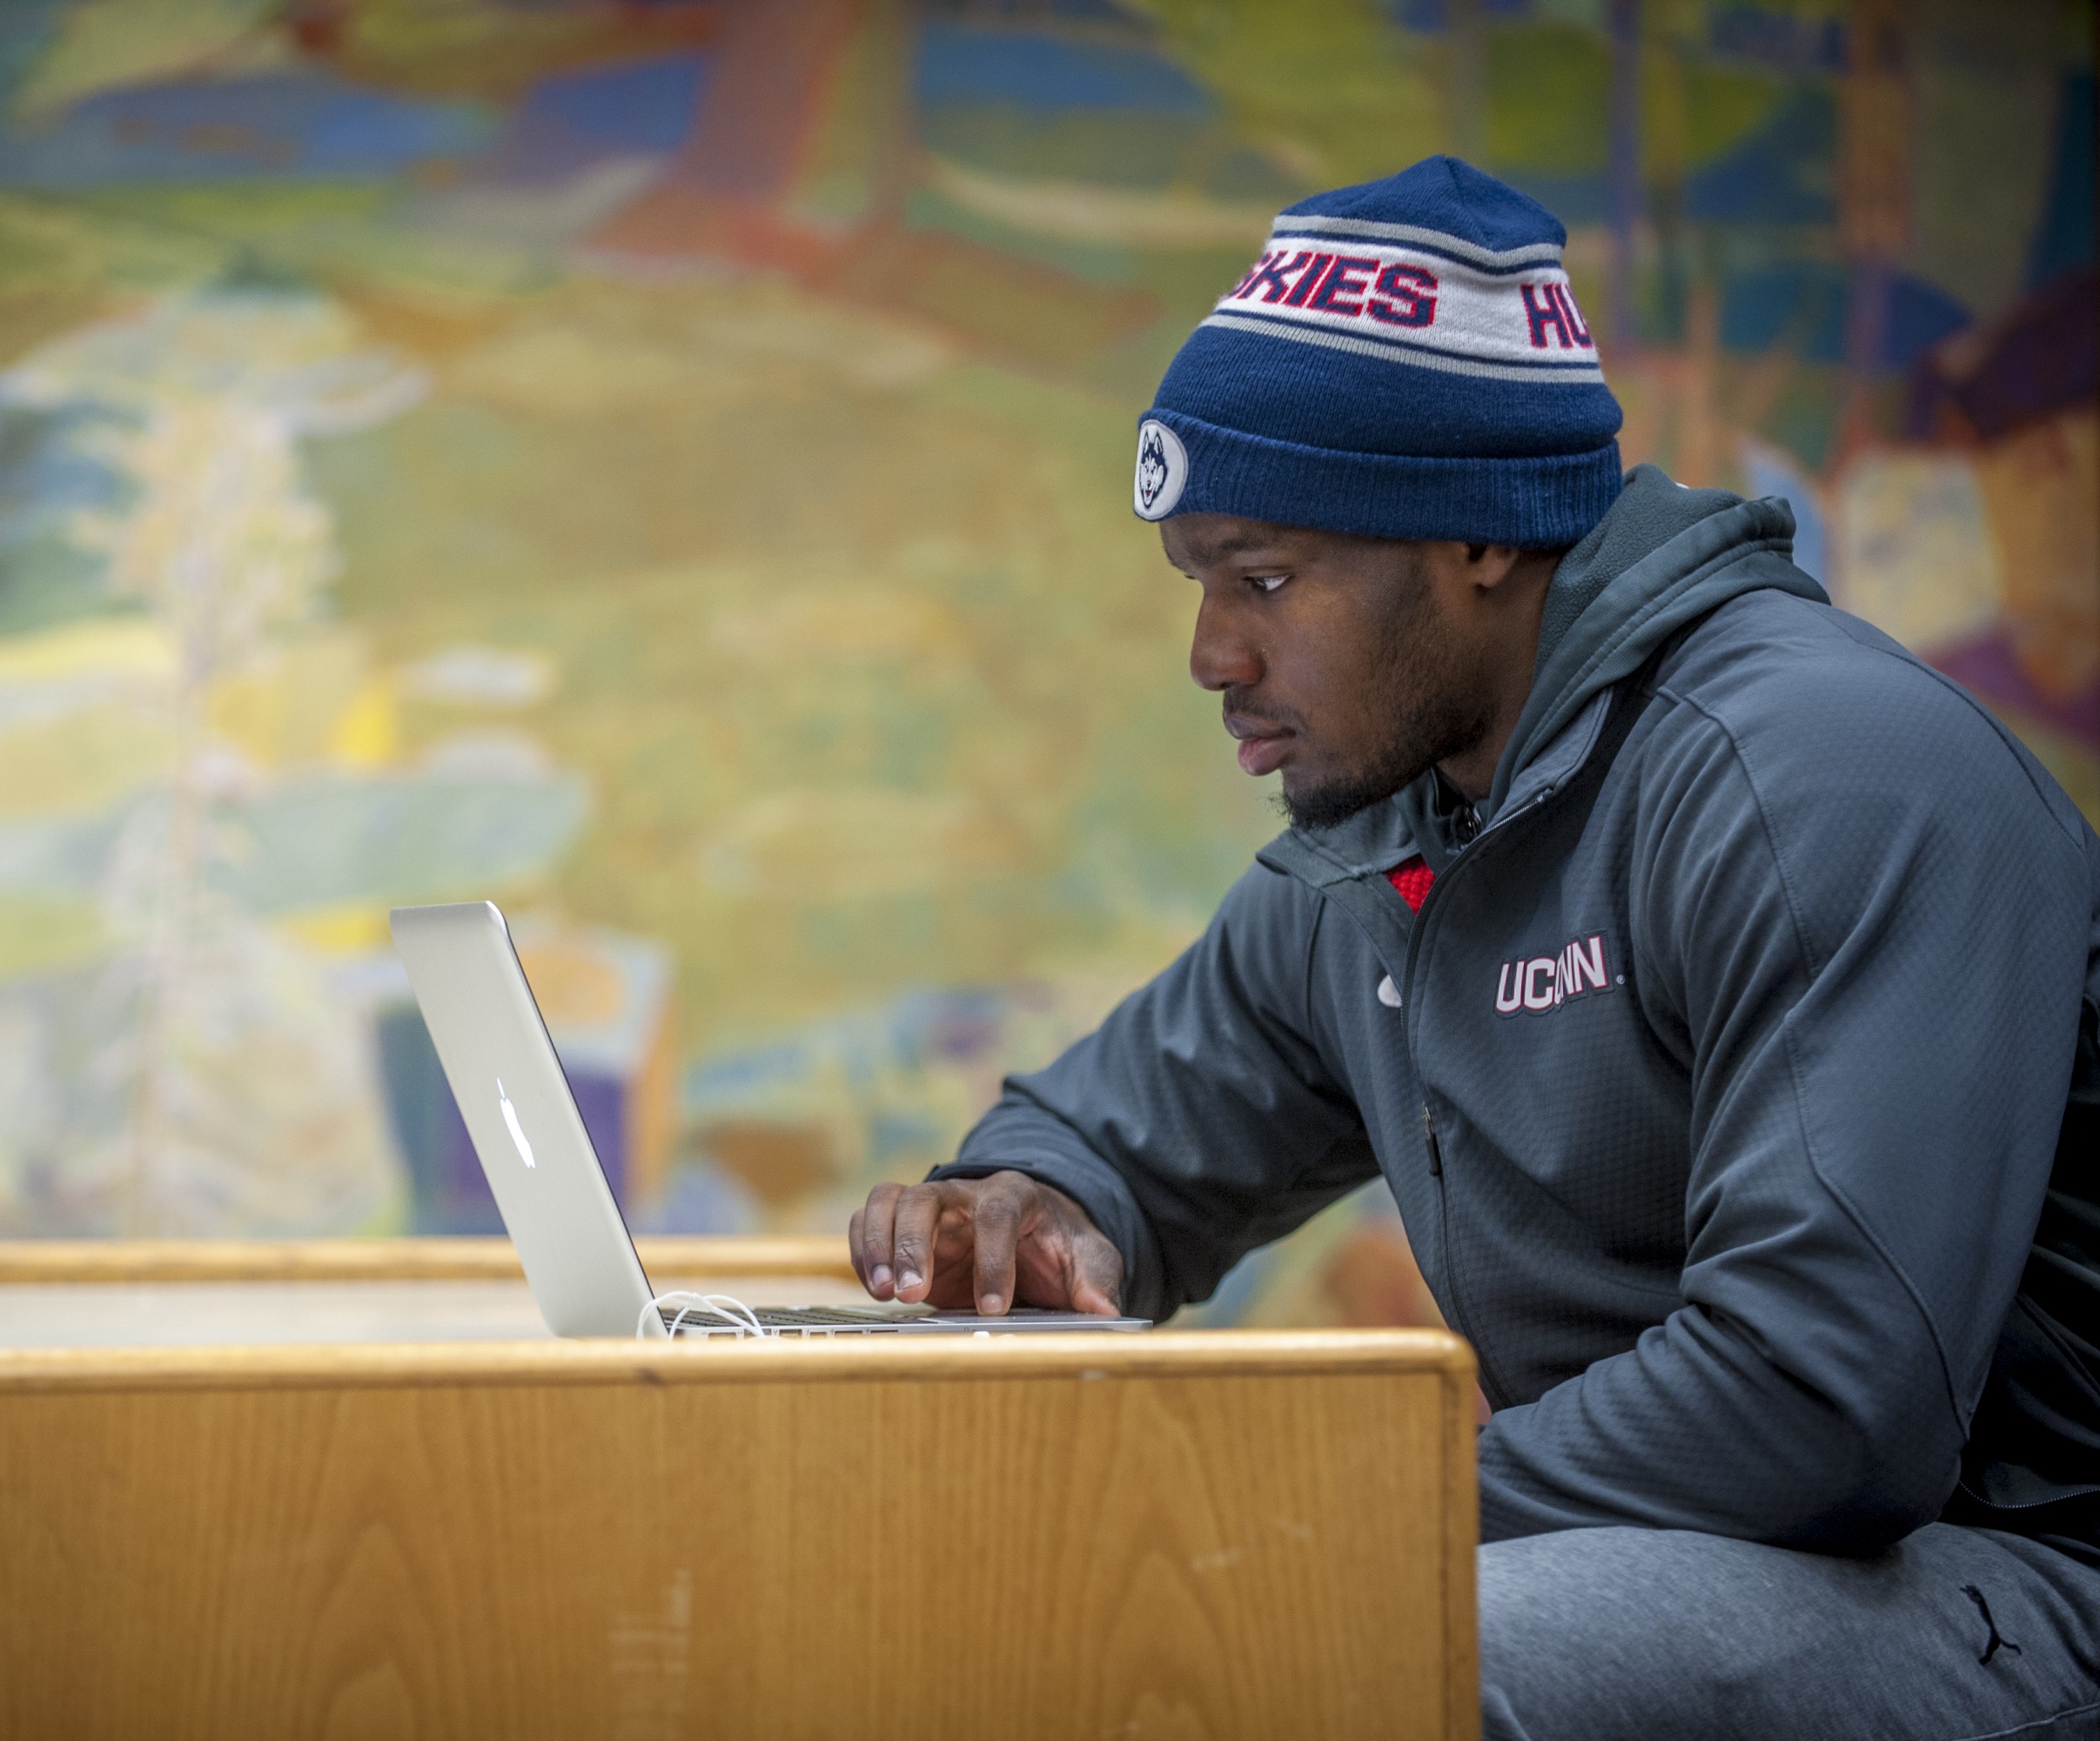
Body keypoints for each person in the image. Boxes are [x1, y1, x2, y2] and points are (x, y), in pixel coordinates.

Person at [848, 157, 2100, 1738]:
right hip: (1662, 1561)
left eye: (1268, 576)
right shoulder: (1388, 833)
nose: (1211, 654)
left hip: (2002, 1580)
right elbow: (1118, 1137)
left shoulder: (1815, 777)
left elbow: (1821, 1404)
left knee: (1377, 1647)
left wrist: (1330, 1496)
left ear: (1479, 538)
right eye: (1197, 582)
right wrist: (1026, 1203)